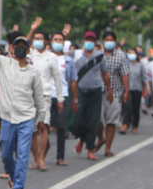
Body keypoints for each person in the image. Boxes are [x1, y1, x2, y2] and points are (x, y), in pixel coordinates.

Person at [0, 11, 46, 189]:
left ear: (28, 50)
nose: (19, 48)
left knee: (23, 155)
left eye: (23, 46)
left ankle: (19, 187)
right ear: (11, 48)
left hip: (27, 118)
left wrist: (41, 118)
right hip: (7, 117)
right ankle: (11, 174)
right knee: (5, 154)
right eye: (16, 45)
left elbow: (39, 97)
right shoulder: (3, 63)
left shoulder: (33, 72)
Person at [26, 20, 63, 170]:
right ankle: (35, 158)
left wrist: (60, 98)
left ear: (46, 41)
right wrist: (32, 29)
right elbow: (23, 44)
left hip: (46, 95)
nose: (38, 41)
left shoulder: (52, 57)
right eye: (36, 38)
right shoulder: (30, 54)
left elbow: (57, 79)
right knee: (32, 129)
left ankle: (42, 158)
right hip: (29, 96)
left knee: (43, 126)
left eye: (41, 39)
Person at [72, 31, 111, 160]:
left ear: (95, 43)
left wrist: (109, 90)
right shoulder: (77, 55)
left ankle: (89, 150)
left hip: (96, 90)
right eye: (87, 40)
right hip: (81, 90)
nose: (89, 42)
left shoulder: (100, 56)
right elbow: (61, 53)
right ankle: (81, 140)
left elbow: (105, 74)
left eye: (92, 40)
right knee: (80, 119)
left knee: (93, 121)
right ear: (83, 41)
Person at [94, 31, 129, 157]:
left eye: (111, 40)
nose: (109, 42)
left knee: (111, 121)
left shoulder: (121, 56)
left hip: (114, 92)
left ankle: (107, 148)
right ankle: (100, 138)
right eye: (106, 39)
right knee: (97, 119)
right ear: (103, 42)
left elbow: (125, 74)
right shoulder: (97, 55)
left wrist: (126, 90)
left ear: (115, 42)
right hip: (98, 91)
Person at [49, 31, 77, 166]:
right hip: (46, 95)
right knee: (44, 126)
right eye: (56, 39)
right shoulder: (45, 57)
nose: (58, 42)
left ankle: (60, 156)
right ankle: (43, 150)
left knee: (61, 127)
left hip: (63, 96)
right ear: (51, 41)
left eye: (61, 40)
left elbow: (73, 80)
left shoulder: (68, 61)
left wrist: (75, 99)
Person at [120, 48, 149, 134]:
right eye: (129, 53)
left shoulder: (141, 65)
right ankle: (125, 125)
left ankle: (135, 126)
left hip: (137, 89)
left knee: (136, 108)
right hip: (127, 89)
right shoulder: (125, 64)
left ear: (136, 55)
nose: (131, 55)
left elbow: (145, 78)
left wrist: (147, 88)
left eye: (132, 53)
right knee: (127, 107)